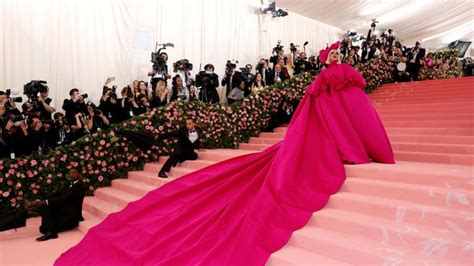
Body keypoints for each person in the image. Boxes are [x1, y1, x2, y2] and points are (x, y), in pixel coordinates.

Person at [56, 41, 394, 265]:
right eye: (331, 57)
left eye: (336, 56)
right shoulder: (321, 83)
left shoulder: (338, 78)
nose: (334, 59)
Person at [26, 169, 85, 241]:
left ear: (79, 174)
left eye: (74, 173)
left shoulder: (80, 186)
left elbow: (63, 198)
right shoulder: (68, 184)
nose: (71, 175)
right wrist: (39, 200)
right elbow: (55, 194)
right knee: (45, 209)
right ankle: (48, 229)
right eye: (70, 173)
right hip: (63, 211)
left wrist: (45, 202)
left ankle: (51, 232)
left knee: (46, 206)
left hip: (71, 216)